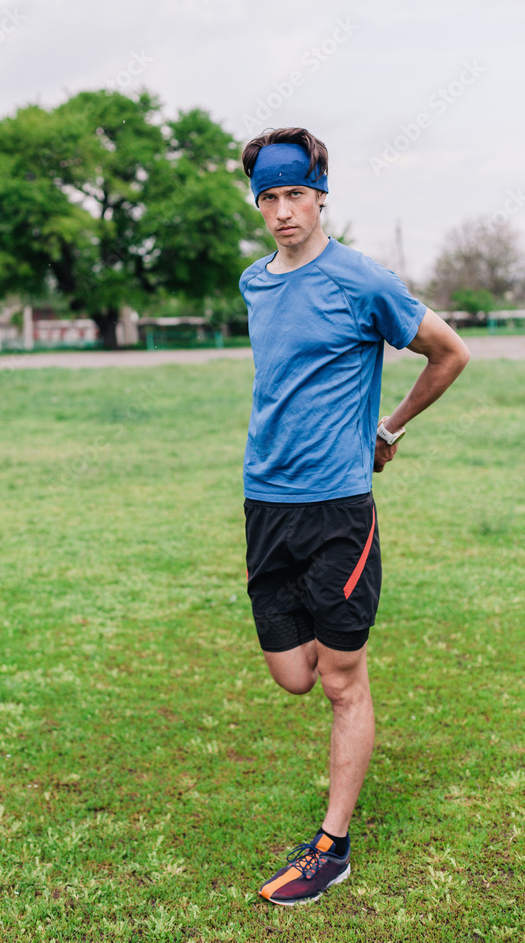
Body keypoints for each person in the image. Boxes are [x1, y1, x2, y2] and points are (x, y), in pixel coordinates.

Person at [239, 127, 470, 906]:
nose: (281, 212)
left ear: (320, 192)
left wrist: (388, 427)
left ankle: (330, 849)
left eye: (294, 194)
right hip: (263, 504)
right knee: (293, 678)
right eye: (267, 197)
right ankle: (338, 666)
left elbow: (448, 352)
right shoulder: (254, 283)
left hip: (338, 508)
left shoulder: (361, 280)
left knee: (340, 680)